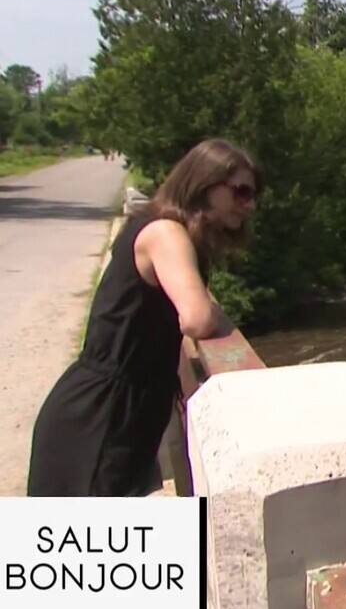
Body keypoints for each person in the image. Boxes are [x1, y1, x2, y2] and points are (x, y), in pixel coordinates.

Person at [28, 138, 260, 496]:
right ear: (204, 184)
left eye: (253, 193)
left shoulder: (159, 226)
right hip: (102, 418)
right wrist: (211, 308)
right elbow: (197, 319)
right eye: (241, 192)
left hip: (114, 412)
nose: (250, 204)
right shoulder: (166, 233)